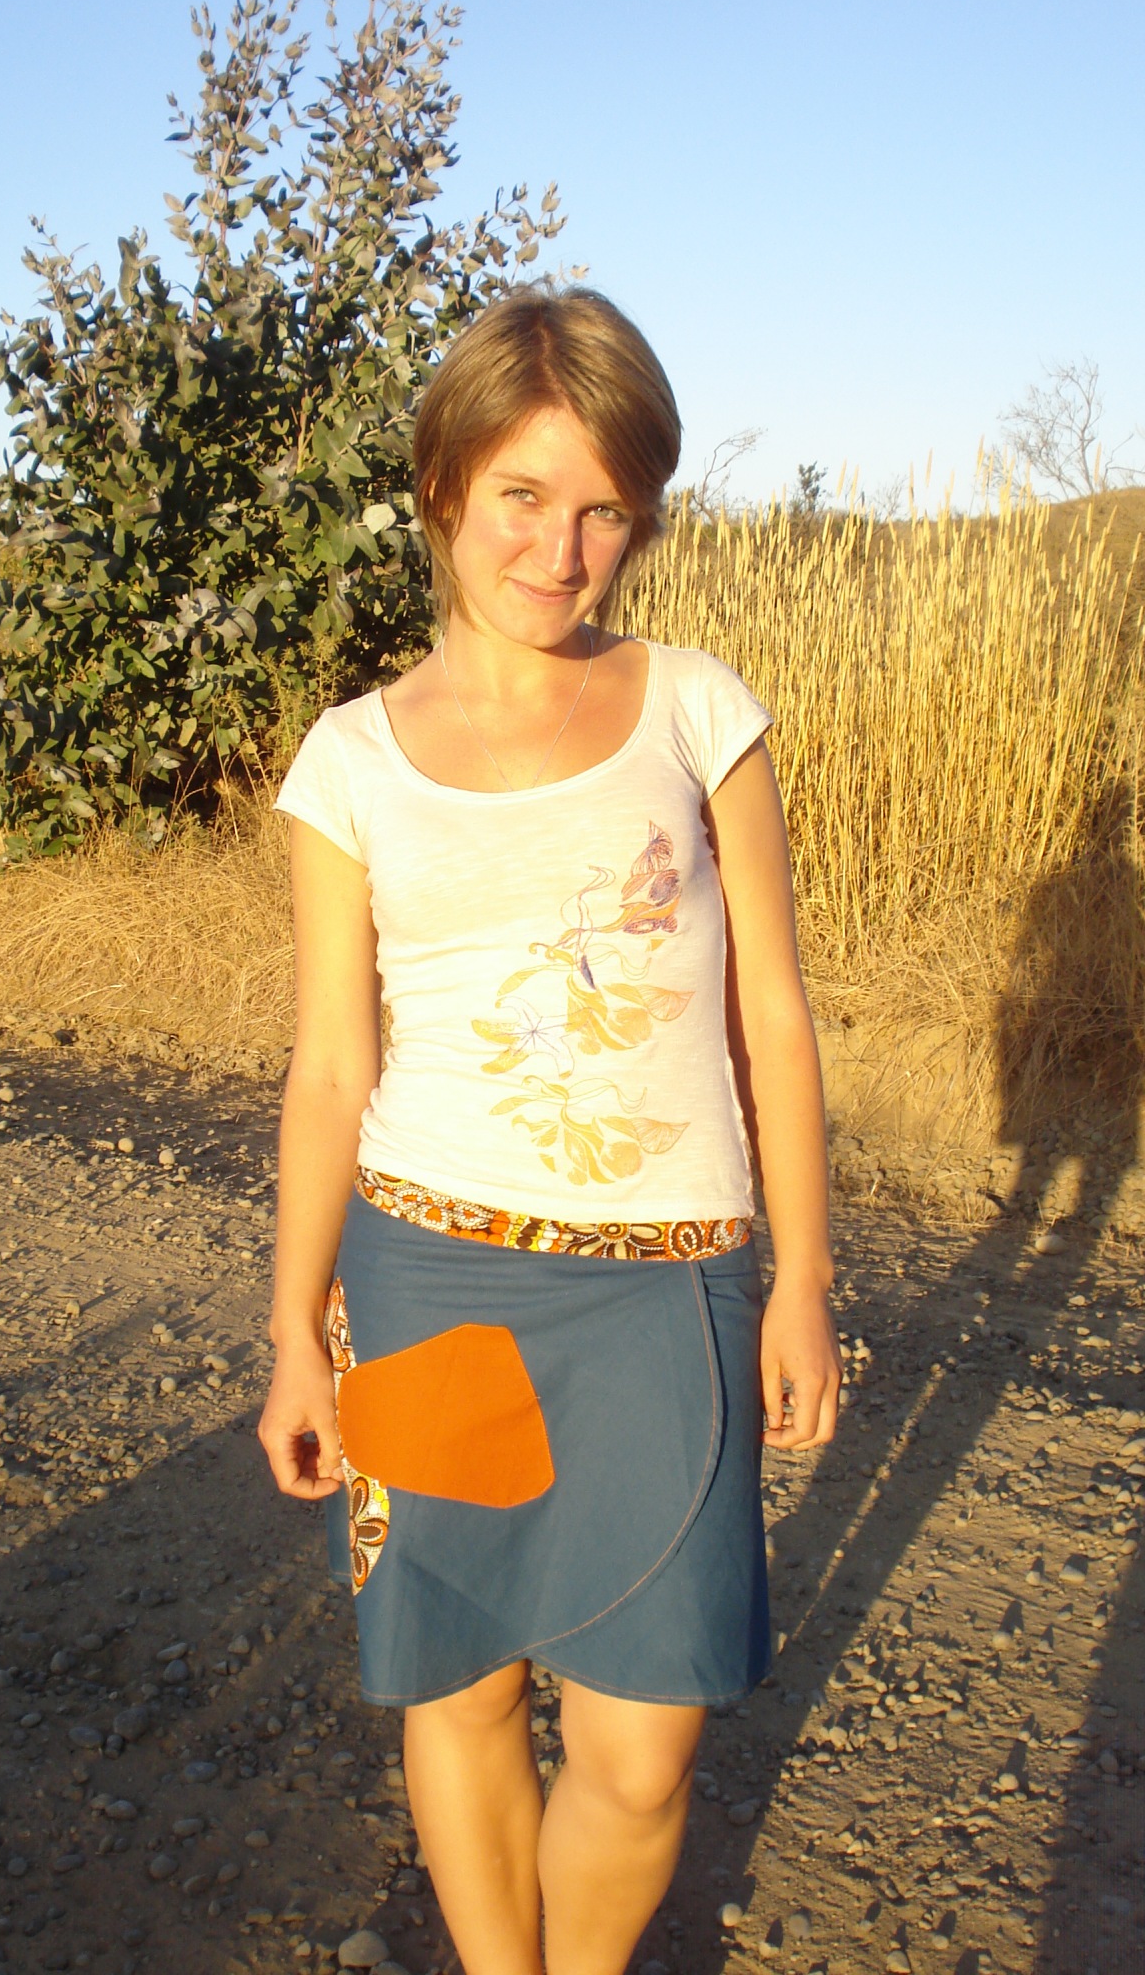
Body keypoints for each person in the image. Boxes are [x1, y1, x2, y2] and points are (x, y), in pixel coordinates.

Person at [257, 285, 842, 1975]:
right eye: (523, 495)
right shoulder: (349, 763)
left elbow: (774, 1017)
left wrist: (805, 1279)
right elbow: (328, 1067)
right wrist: (293, 1333)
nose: (562, 549)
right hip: (430, 1278)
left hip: (670, 1289)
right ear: (445, 484)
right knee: (459, 1691)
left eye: (605, 509)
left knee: (644, 1746)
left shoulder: (698, 708)